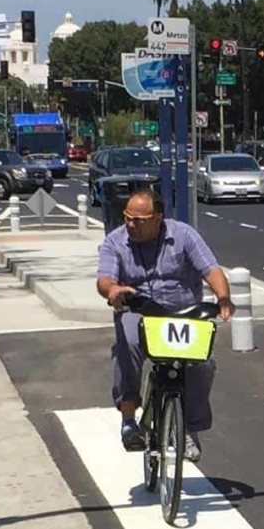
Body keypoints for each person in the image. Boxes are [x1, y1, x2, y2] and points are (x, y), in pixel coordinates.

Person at [97, 187, 232, 456]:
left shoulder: (183, 235)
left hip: (183, 311)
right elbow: (104, 279)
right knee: (128, 344)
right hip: (139, 310)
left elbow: (211, 269)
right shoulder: (115, 241)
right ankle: (128, 422)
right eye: (127, 218)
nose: (131, 224)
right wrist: (112, 291)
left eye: (139, 220)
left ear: (158, 218)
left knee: (203, 362)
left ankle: (189, 430)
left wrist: (223, 298)